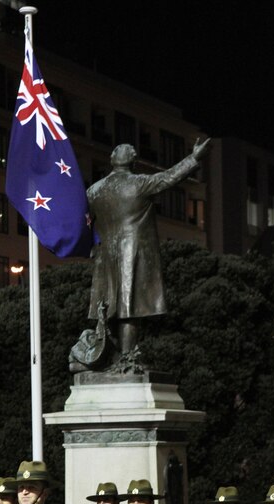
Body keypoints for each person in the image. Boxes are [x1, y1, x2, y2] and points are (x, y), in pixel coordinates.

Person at [87, 138, 210, 354]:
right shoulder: (140, 183)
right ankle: (127, 357)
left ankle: (111, 356)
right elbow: (170, 177)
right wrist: (194, 157)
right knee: (129, 307)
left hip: (105, 256)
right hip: (132, 251)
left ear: (112, 160)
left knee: (109, 307)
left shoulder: (94, 191)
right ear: (133, 161)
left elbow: (85, 221)